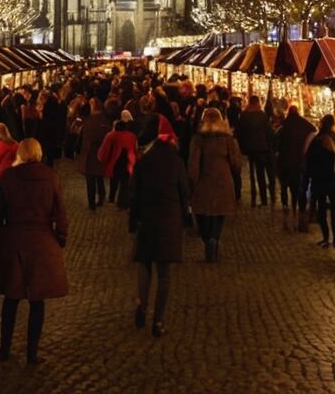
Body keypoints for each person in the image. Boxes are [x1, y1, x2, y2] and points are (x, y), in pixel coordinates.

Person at [0, 138, 69, 365]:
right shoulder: (50, 177)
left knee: (11, 298)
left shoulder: (8, 177)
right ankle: (31, 353)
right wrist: (60, 237)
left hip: (14, 240)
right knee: (37, 299)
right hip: (41, 241)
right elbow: (60, 212)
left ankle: (4, 349)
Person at [129, 114, 191, 337]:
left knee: (144, 267)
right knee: (164, 273)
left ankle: (142, 306)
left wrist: (134, 219)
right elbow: (185, 193)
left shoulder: (144, 161)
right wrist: (186, 218)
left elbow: (133, 193)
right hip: (169, 220)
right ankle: (158, 321)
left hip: (147, 218)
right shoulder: (176, 162)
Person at [188, 107, 242, 263]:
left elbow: (193, 165)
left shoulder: (199, 140)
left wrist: (192, 182)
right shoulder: (228, 140)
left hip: (203, 182)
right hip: (223, 182)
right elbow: (236, 164)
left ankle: (208, 240)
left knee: (203, 215)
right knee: (219, 214)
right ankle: (214, 238)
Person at [307, 114, 335, 247]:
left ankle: (326, 237)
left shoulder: (317, 139)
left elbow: (309, 158)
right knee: (334, 209)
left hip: (320, 179)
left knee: (322, 208)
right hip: (330, 178)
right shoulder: (334, 140)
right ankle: (334, 238)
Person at [275, 105, 314, 232]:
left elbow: (276, 144)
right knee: (298, 185)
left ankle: (286, 203)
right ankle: (298, 205)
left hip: (285, 162)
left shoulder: (283, 127)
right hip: (299, 161)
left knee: (285, 184)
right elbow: (314, 132)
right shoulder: (305, 125)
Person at [236, 94, 275, 207]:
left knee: (254, 174)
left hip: (249, 148)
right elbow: (269, 132)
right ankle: (265, 198)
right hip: (262, 148)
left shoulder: (244, 116)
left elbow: (239, 132)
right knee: (262, 173)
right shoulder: (262, 116)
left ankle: (255, 196)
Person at [76, 98, 112, 210]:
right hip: (99, 151)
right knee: (98, 176)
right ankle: (100, 197)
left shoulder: (90, 120)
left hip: (90, 152)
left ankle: (93, 202)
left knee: (91, 178)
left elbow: (83, 135)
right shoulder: (105, 119)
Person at [98, 111, 139, 208]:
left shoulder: (111, 135)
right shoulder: (132, 136)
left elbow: (105, 149)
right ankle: (123, 201)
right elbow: (135, 148)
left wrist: (102, 158)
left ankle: (112, 198)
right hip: (128, 161)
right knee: (125, 182)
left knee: (114, 181)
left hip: (115, 162)